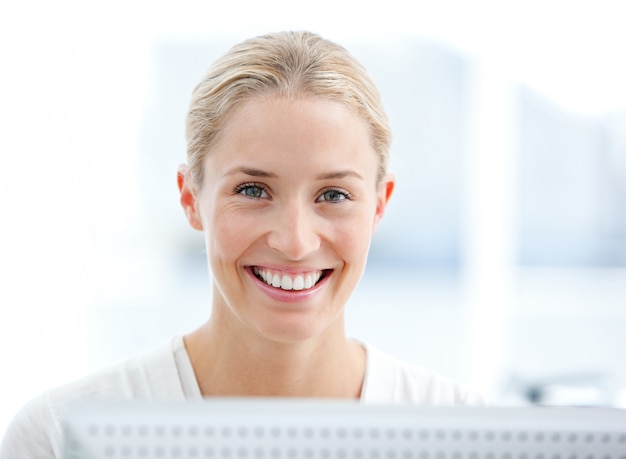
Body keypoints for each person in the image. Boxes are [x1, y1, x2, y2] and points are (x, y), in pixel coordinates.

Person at [0, 30, 483, 458]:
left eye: (333, 195)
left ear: (379, 205)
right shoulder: (59, 438)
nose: (295, 242)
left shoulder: (466, 435)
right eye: (252, 191)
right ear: (191, 198)